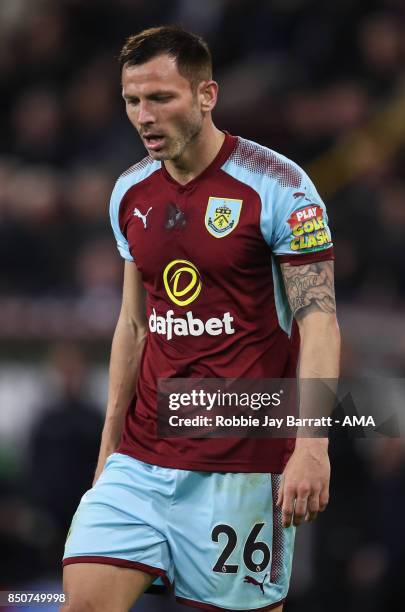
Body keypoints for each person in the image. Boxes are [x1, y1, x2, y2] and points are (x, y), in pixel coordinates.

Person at [62, 25, 340, 612]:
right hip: (141, 457)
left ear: (206, 95)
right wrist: (108, 449)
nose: (144, 116)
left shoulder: (279, 187)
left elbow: (319, 321)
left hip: (240, 468)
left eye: (160, 98)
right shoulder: (130, 193)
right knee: (83, 602)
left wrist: (312, 446)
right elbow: (134, 327)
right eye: (132, 101)